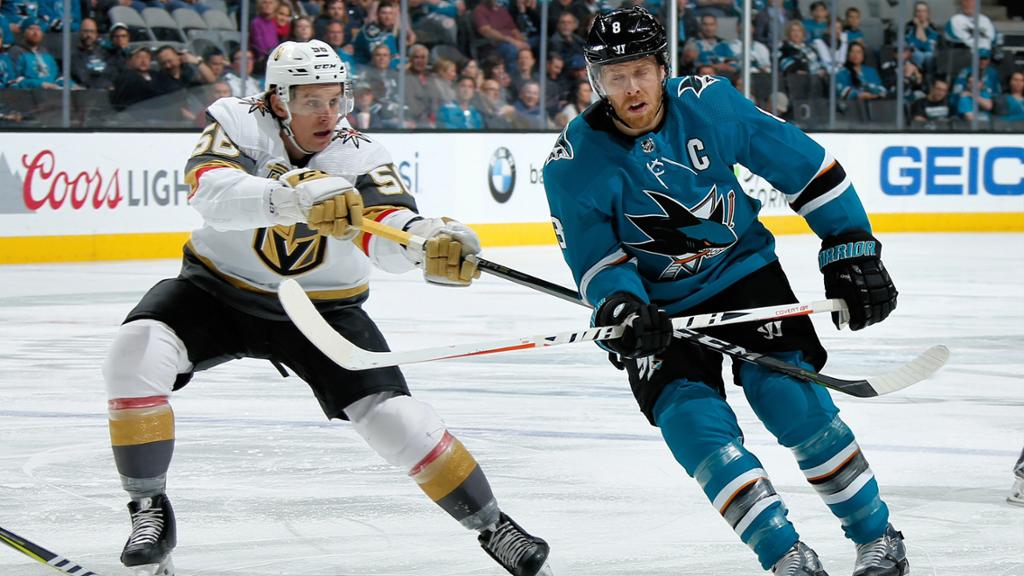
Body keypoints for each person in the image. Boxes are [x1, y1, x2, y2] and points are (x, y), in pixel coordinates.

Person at [102, 39, 552, 576]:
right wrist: (291, 195)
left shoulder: (362, 155)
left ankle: (495, 527)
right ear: (277, 100)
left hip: (324, 311)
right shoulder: (236, 121)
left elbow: (387, 228)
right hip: (217, 291)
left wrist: (427, 241)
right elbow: (210, 192)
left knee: (396, 418)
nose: (327, 114)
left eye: (335, 100)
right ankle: (149, 509)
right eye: (311, 101)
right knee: (135, 352)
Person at [542, 8, 904, 576]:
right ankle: (785, 555)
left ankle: (877, 537)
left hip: (744, 274)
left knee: (791, 401)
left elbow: (807, 169)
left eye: (641, 70)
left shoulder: (709, 104)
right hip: (659, 308)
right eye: (616, 76)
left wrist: (850, 245)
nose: (632, 88)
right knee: (693, 425)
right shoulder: (571, 164)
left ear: (662, 68)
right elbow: (596, 262)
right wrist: (622, 307)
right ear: (596, 81)